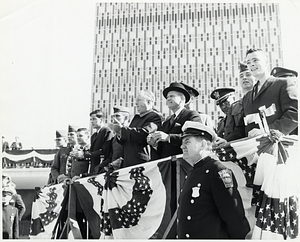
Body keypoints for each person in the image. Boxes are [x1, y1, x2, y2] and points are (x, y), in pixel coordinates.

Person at [177, 121, 250, 239]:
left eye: (187, 142)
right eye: (182, 143)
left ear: (203, 144)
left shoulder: (217, 171)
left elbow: (233, 215)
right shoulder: (193, 171)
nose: (182, 146)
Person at [243, 48, 298, 136]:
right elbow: (243, 126)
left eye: (255, 60)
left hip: (279, 145)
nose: (251, 64)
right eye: (248, 62)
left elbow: (295, 114)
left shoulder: (283, 84)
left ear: (266, 62)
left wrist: (267, 131)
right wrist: (227, 141)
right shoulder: (247, 97)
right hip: (254, 147)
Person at [109, 91, 163, 167]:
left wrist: (121, 130)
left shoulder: (154, 117)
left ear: (149, 102)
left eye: (139, 100)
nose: (136, 104)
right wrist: (118, 133)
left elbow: (144, 134)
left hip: (142, 162)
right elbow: (127, 139)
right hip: (128, 162)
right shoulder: (136, 119)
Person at [148, 82, 202, 158]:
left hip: (185, 163)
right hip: (168, 166)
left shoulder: (191, 115)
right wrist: (155, 144)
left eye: (172, 96)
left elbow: (194, 136)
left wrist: (168, 137)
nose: (168, 99)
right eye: (167, 97)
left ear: (182, 99)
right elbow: (163, 149)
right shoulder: (166, 122)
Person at [83, 109, 114, 174]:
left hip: (102, 168)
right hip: (94, 168)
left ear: (101, 120)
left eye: (94, 119)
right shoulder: (94, 135)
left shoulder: (107, 131)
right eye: (91, 119)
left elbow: (105, 151)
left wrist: (85, 154)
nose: (92, 121)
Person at [108, 106, 131, 170]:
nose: (114, 119)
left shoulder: (132, 134)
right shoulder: (114, 137)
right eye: (113, 117)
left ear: (126, 118)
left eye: (117, 116)